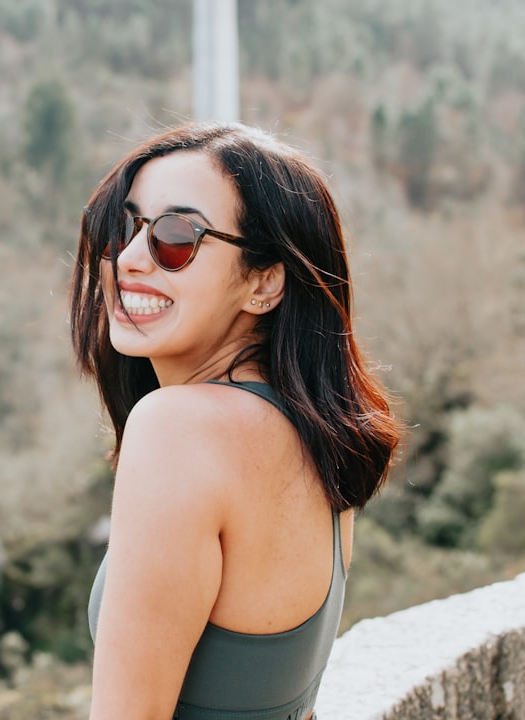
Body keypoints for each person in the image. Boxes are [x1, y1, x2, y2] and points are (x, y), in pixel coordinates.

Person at [70, 122, 401, 720]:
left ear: (264, 281)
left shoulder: (178, 431)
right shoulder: (316, 431)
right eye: (124, 227)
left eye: (178, 237)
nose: (130, 260)